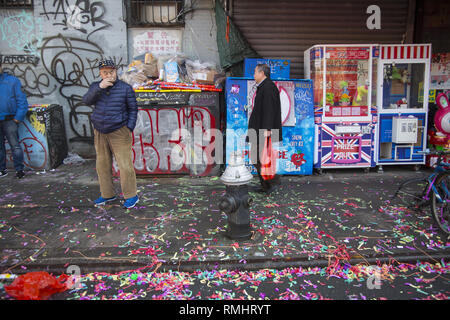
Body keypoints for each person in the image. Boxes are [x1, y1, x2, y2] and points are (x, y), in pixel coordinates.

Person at [82, 59, 139, 209]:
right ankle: (107, 194)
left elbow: (133, 109)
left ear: (116, 71)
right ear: (100, 74)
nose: (109, 75)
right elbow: (86, 100)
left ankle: (131, 196)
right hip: (100, 131)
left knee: (125, 165)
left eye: (111, 72)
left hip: (120, 131)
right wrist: (99, 88)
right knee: (102, 165)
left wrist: (129, 128)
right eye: (105, 72)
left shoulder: (125, 88)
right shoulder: (96, 87)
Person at [248, 63, 282, 194]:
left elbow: (269, 110)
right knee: (257, 158)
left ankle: (271, 182)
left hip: (263, 131)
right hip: (258, 130)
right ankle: (266, 185)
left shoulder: (268, 87)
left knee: (260, 158)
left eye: (255, 72)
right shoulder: (263, 87)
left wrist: (267, 129)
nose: (254, 75)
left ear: (262, 73)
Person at [0, 60, 28, 179]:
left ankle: (19, 169)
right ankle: (2, 169)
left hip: (9, 119)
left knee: (15, 146)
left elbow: (21, 100)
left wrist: (18, 117)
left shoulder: (12, 81)